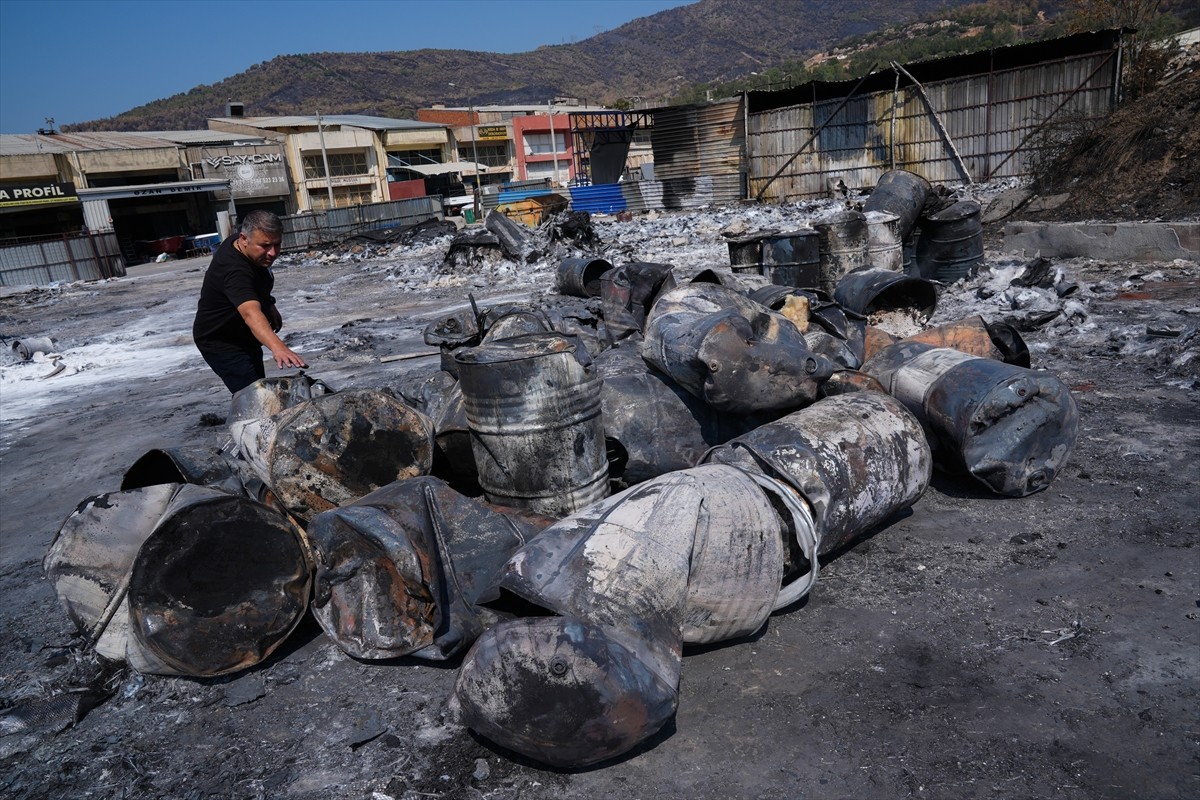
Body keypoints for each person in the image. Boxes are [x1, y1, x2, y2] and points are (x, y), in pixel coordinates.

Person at [192, 210, 306, 394]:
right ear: (244, 239)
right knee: (253, 395)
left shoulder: (247, 248)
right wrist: (278, 347)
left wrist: (269, 304)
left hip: (244, 335)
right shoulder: (234, 271)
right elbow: (250, 313)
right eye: (266, 246)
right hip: (220, 341)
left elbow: (257, 285)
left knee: (258, 384)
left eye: (277, 245)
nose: (273, 253)